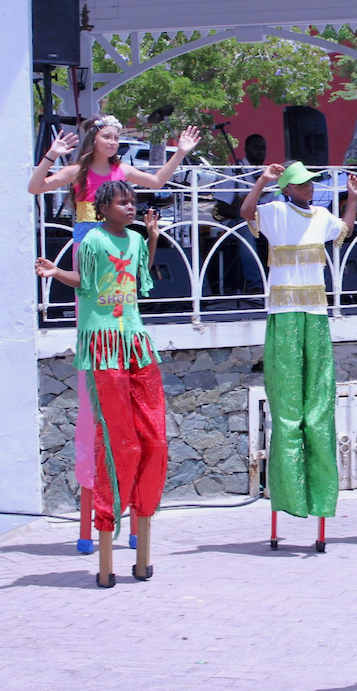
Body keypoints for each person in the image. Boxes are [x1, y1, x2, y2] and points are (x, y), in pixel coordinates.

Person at [28, 114, 199, 553]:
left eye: (119, 136)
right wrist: (50, 155)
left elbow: (160, 181)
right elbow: (34, 187)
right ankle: (101, 515)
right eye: (108, 135)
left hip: (119, 267)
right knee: (99, 396)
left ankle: (127, 513)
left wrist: (180, 151)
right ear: (94, 139)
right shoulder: (79, 172)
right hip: (91, 263)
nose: (115, 141)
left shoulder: (123, 176)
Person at [35, 181, 168, 588]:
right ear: (104, 206)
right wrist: (57, 272)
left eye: (133, 201)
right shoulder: (92, 239)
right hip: (102, 341)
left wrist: (153, 238)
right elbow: (87, 282)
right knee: (117, 439)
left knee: (155, 439)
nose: (130, 206)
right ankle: (109, 535)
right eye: (122, 201)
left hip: (135, 340)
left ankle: (142, 524)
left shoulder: (135, 239)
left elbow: (141, 275)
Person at [239, 161, 357, 544]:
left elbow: (345, 229)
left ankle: (320, 499)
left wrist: (352, 197)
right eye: (303, 184)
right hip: (283, 316)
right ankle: (288, 497)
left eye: (311, 183)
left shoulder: (322, 215)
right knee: (287, 413)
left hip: (315, 316)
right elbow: (245, 213)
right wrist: (262, 181)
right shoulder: (273, 212)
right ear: (289, 188)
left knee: (318, 408)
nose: (310, 189)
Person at [212, 133, 269, 293]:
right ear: (246, 149)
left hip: (263, 221)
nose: (260, 152)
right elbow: (222, 207)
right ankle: (255, 284)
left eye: (263, 148)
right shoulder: (233, 171)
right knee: (246, 230)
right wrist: (248, 214)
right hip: (236, 222)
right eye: (256, 147)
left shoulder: (268, 173)